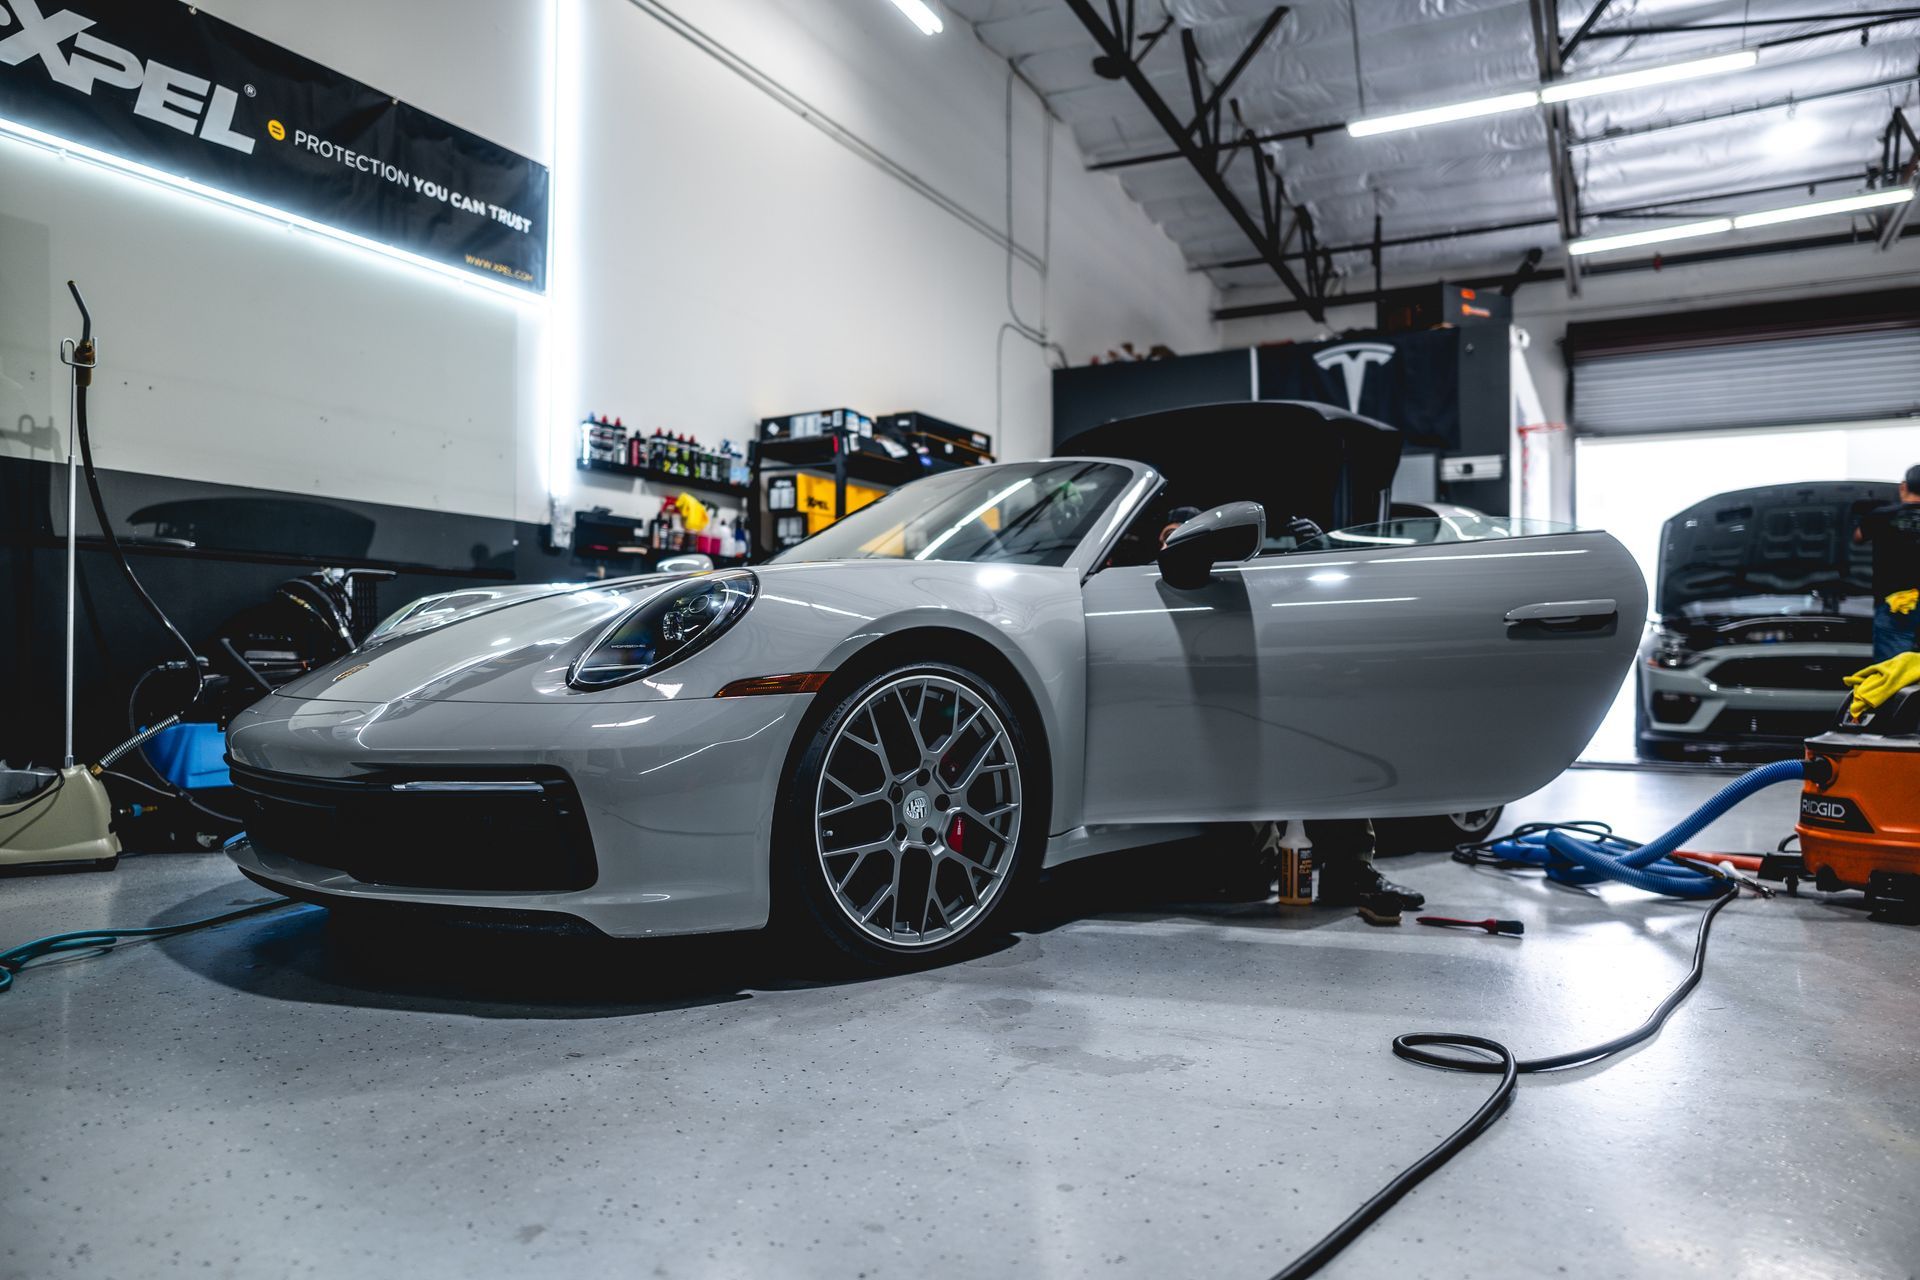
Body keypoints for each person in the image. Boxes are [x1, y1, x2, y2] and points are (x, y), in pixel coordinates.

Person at [1855, 465, 1920, 663]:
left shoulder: (1880, 516)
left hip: (1894, 605)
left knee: (1893, 671)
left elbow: (1857, 537)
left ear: (1903, 486)